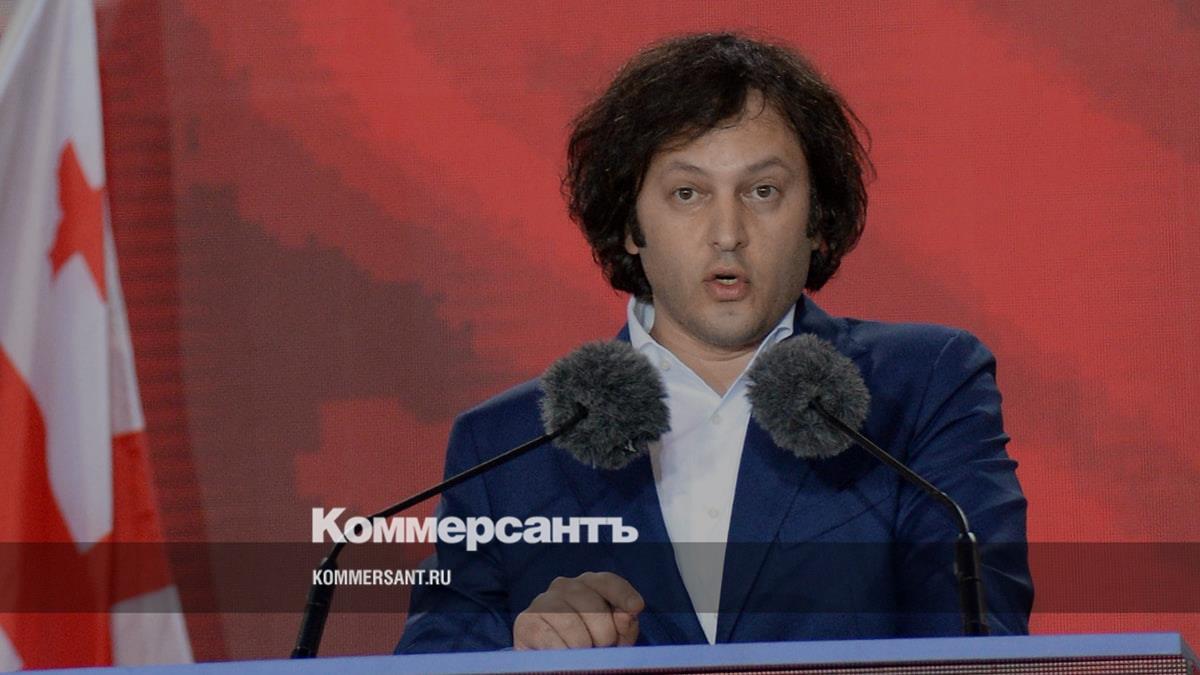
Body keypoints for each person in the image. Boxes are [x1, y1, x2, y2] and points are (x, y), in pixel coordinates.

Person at [395, 32, 1032, 653]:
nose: (727, 232)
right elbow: (434, 661)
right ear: (631, 227)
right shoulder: (506, 446)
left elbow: (978, 641)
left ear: (816, 221)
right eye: (687, 193)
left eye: (763, 191)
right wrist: (519, 653)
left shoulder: (922, 386)